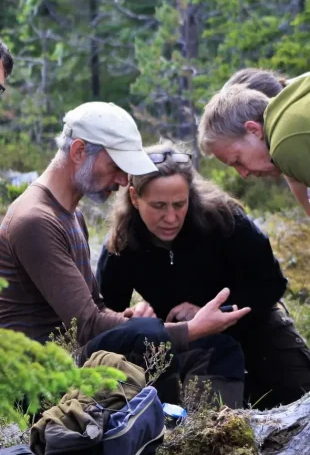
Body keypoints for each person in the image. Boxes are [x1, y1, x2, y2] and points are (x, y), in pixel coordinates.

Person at [0, 102, 249, 406]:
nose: (121, 180)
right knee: (153, 335)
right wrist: (188, 329)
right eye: (115, 166)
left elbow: (95, 308)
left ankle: (205, 434)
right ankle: (177, 435)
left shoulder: (71, 216)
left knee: (217, 348)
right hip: (43, 378)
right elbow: (88, 326)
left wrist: (128, 317)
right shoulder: (35, 220)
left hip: (79, 359)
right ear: (79, 151)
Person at [97, 142, 310, 408]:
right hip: (186, 340)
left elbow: (271, 285)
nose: (171, 217)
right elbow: (106, 318)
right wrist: (135, 318)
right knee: (197, 420)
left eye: (179, 204)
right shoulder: (122, 244)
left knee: (301, 400)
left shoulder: (226, 220)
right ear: (134, 197)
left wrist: (214, 310)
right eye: (159, 206)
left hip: (253, 320)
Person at [197, 70, 310, 216]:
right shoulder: (298, 93)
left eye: (238, 161)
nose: (244, 174)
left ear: (253, 130)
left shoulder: (284, 143)